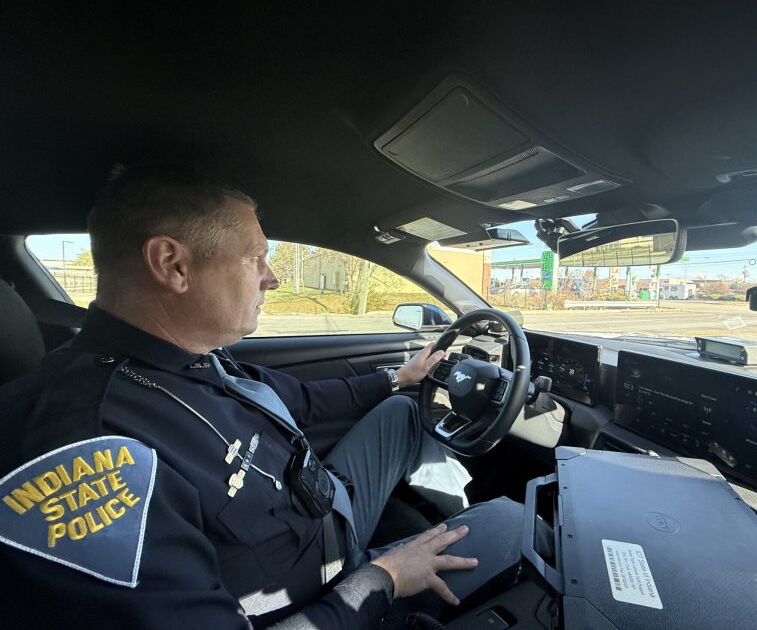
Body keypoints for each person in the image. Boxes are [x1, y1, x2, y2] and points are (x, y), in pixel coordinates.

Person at [0, 165, 526, 629]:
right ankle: (450, 535)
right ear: (172, 264)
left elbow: (299, 401)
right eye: (256, 258)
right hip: (330, 592)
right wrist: (383, 579)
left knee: (402, 414)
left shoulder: (195, 356)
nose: (271, 278)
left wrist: (400, 378)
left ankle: (447, 519)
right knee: (511, 525)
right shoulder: (92, 446)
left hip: (324, 511)